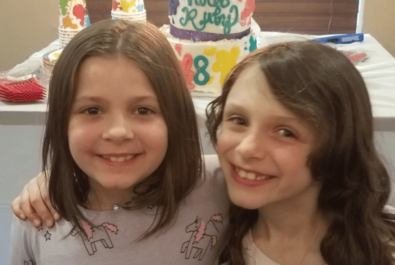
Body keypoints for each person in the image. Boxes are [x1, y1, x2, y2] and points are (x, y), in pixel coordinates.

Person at [9, 19, 229, 264]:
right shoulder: (37, 216)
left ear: (174, 119)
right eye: (92, 110)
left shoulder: (222, 186)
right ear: (62, 122)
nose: (118, 132)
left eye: (143, 110)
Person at [205, 41, 395, 265]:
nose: (247, 148)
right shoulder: (209, 228)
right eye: (239, 120)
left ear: (339, 145)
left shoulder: (383, 250)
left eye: (286, 132)